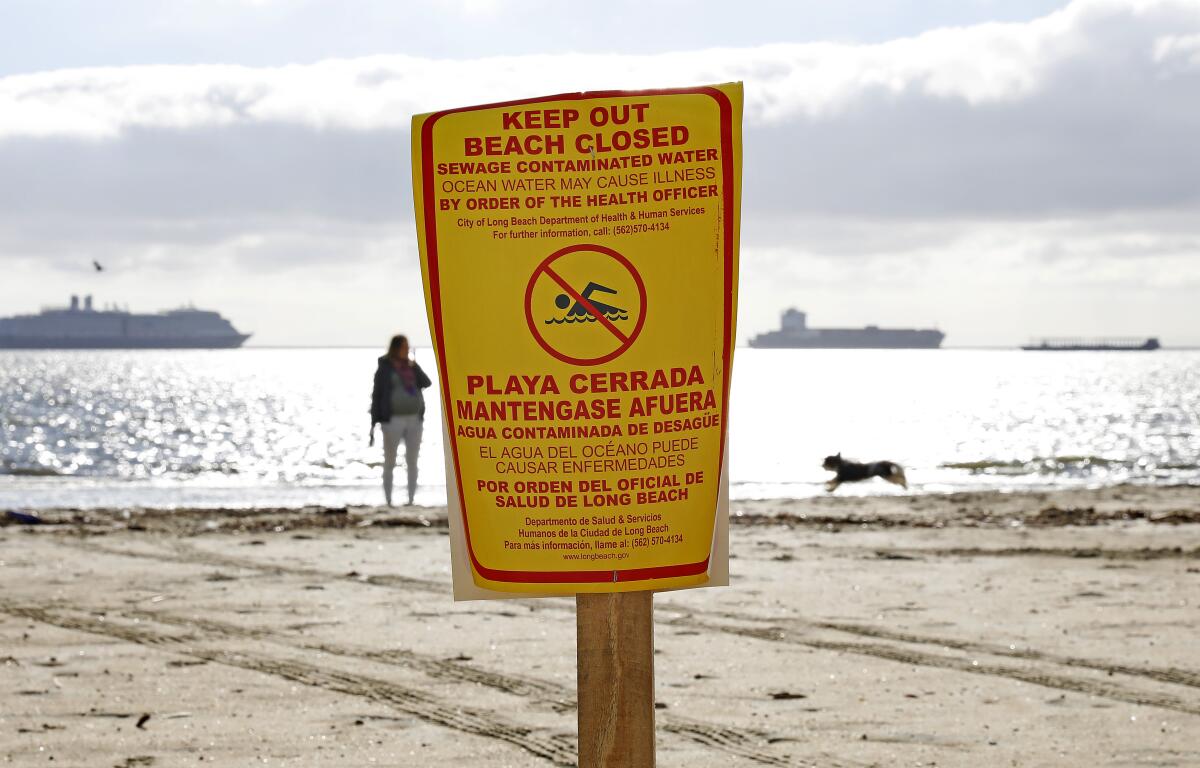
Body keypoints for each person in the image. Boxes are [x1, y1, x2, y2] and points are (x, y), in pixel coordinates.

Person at [370, 334, 432, 506]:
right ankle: (388, 500)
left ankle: (411, 499)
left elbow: (427, 382)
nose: (406, 349)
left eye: (407, 346)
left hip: (414, 419)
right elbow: (377, 395)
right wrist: (374, 422)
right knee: (390, 461)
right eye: (403, 346)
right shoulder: (385, 368)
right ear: (396, 348)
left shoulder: (411, 367)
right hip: (392, 420)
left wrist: (414, 364)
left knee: (412, 460)